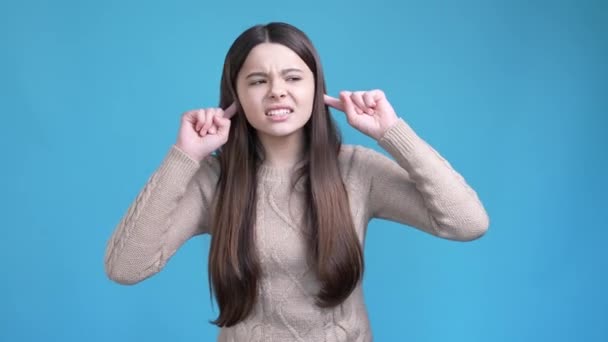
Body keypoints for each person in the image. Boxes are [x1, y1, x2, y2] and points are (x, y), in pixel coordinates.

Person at [104, 22, 490, 341]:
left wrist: (391, 131)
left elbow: (467, 223)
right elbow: (125, 267)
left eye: (293, 77)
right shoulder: (214, 181)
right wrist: (184, 157)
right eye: (257, 81)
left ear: (316, 89)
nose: (277, 91)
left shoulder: (357, 170)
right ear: (235, 95)